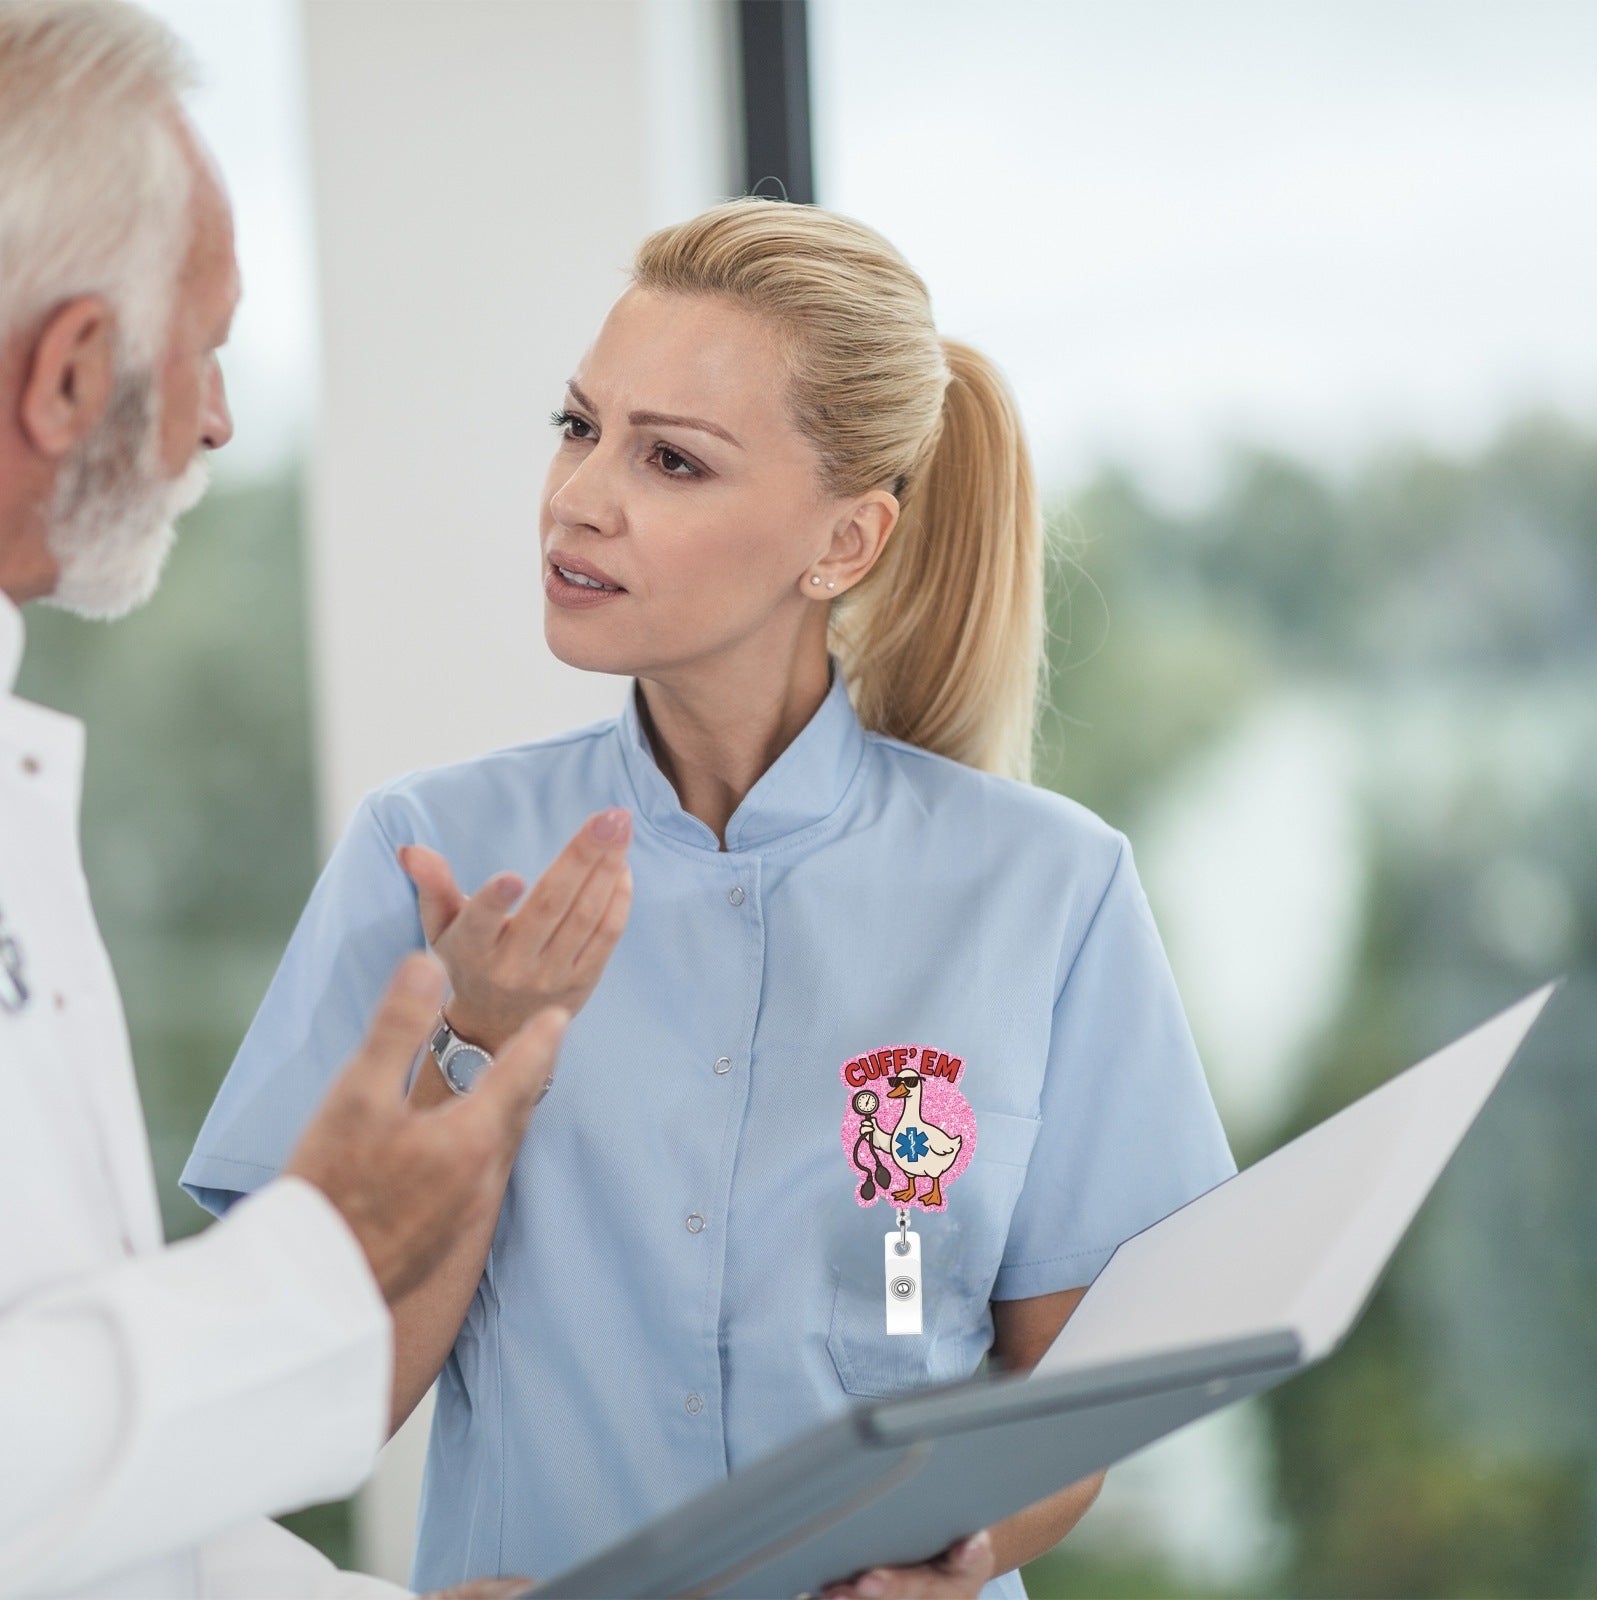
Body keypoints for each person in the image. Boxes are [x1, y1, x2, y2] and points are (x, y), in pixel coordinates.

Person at [184, 199, 1236, 1599]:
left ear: (845, 544)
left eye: (671, 459)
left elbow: (1068, 1398)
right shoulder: (432, 854)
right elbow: (312, 1409)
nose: (581, 495)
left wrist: (964, 1557)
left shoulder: (1049, 889)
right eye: (579, 428)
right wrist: (474, 1056)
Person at [0, 3, 631, 1594]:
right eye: (204, 349)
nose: (217, 417)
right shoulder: (429, 839)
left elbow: (92, 1473)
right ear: (70, 373)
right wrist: (324, 1251)